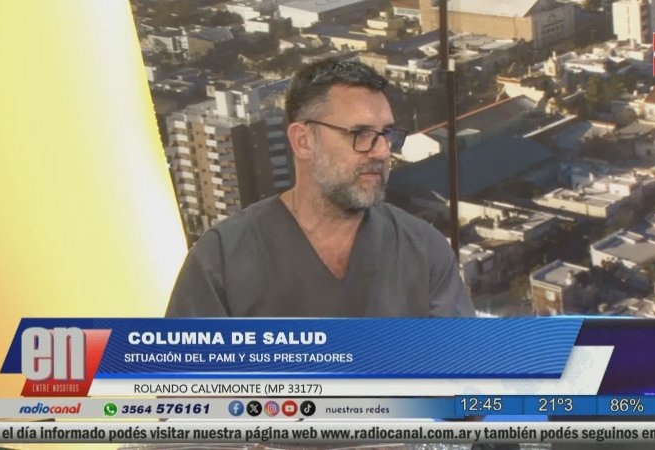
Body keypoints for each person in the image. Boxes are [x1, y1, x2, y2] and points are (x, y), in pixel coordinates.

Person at [166, 58, 475, 318]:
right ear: (303, 141)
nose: (382, 151)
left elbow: (462, 367)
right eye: (360, 133)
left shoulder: (425, 251)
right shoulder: (220, 261)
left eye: (387, 134)